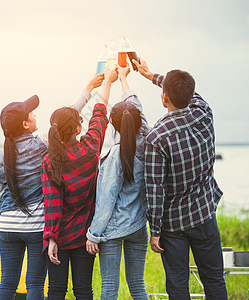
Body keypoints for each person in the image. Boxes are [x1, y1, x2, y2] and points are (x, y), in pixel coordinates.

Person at [0, 74, 104, 299]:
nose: (35, 115)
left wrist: (8, 213)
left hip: (6, 226)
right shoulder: (40, 145)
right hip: (34, 225)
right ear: (26, 124)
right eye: (31, 114)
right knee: (34, 283)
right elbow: (66, 118)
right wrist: (88, 88)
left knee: (7, 284)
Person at [131, 57, 228, 300]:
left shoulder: (157, 137)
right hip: (205, 214)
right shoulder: (204, 113)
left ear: (164, 98)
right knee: (214, 280)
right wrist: (152, 75)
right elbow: (189, 92)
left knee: (177, 286)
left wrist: (155, 230)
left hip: (173, 225)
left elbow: (155, 189)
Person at [41, 67, 118, 300]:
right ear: (77, 128)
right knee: (83, 291)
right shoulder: (90, 148)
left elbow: (52, 204)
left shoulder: (50, 160)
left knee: (56, 291)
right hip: (85, 235)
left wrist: (51, 238)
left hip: (61, 234)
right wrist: (108, 83)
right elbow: (99, 114)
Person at [86, 65, 149, 300]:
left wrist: (93, 234)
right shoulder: (147, 142)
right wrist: (123, 79)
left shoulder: (115, 156)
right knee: (138, 287)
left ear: (113, 125)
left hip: (112, 230)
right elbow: (137, 109)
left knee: (109, 289)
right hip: (138, 228)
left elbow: (106, 199)